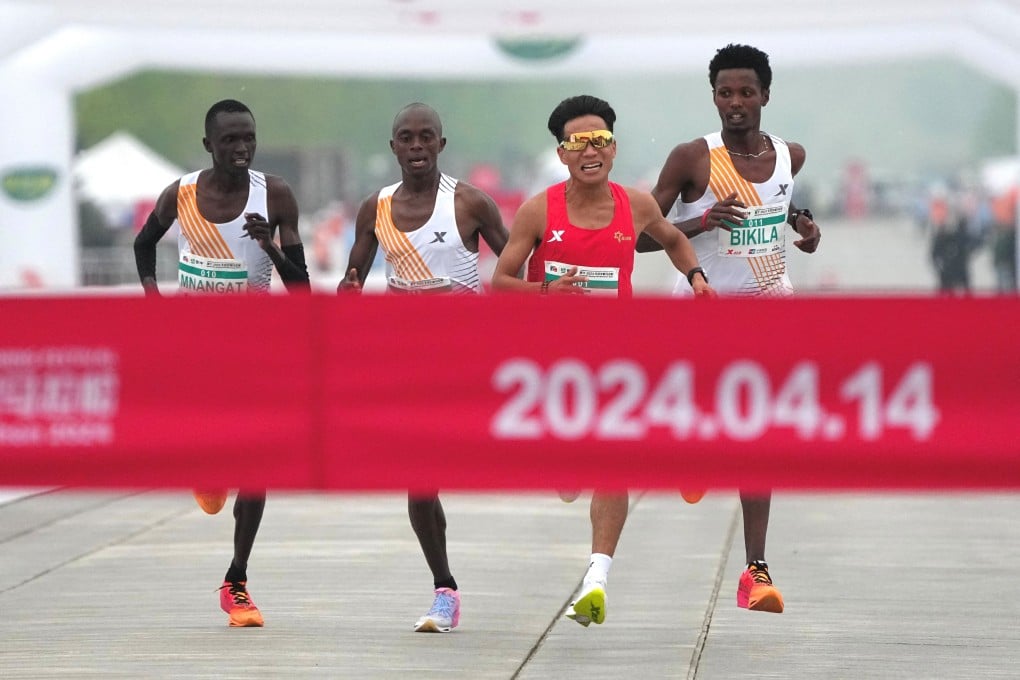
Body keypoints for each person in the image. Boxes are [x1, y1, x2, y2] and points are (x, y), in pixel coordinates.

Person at [491, 94, 715, 627]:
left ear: (613, 148)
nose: (590, 151)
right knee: (570, 481)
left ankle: (596, 578)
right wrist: (547, 291)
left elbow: (674, 238)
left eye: (600, 141)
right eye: (578, 143)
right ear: (563, 154)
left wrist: (697, 278)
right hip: (555, 366)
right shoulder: (537, 210)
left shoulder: (635, 205)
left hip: (616, 359)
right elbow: (500, 281)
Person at [641, 44, 821, 614]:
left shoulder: (790, 155)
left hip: (768, 309)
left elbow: (781, 203)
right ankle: (692, 448)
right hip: (703, 309)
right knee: (703, 418)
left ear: (766, 95)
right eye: (725, 93)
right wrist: (698, 221)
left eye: (747, 92)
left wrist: (803, 226)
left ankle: (756, 572)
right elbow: (641, 235)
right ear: (713, 96)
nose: (736, 103)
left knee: (760, 438)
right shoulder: (693, 158)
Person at [132, 98, 310, 627]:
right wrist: (152, 298)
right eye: (230, 139)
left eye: (249, 138)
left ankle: (236, 582)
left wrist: (270, 246)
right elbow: (144, 244)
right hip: (196, 355)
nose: (242, 148)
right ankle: (204, 462)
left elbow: (302, 289)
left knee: (259, 465)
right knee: (212, 465)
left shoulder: (273, 194)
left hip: (256, 354)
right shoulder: (182, 193)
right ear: (209, 145)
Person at [337, 102, 508, 632]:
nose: (416, 146)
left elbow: (519, 265)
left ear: (441, 144)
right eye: (406, 138)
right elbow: (352, 282)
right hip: (408, 368)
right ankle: (445, 590)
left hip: (468, 366)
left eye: (426, 137)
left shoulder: (470, 203)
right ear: (393, 147)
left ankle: (563, 466)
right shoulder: (375, 208)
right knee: (419, 483)